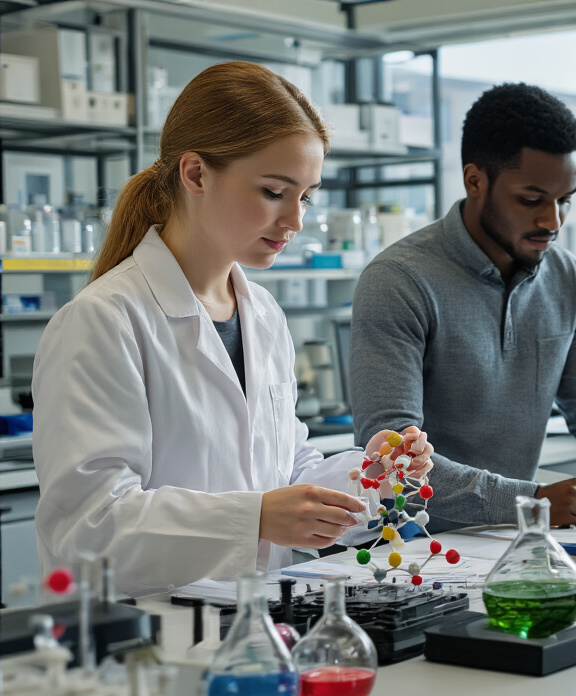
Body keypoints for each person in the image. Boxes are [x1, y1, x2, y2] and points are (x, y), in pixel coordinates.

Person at [32, 62, 434, 596]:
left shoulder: (262, 314)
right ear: (195, 174)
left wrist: (371, 476)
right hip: (143, 642)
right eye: (273, 191)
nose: (294, 220)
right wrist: (256, 519)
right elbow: (87, 529)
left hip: (253, 623)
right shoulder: (103, 321)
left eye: (306, 196)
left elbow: (285, 471)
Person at [350, 83, 576, 533]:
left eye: (564, 201)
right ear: (475, 180)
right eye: (531, 200)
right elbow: (391, 461)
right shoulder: (398, 280)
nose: (552, 222)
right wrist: (530, 500)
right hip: (408, 552)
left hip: (511, 541)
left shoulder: (568, 279)